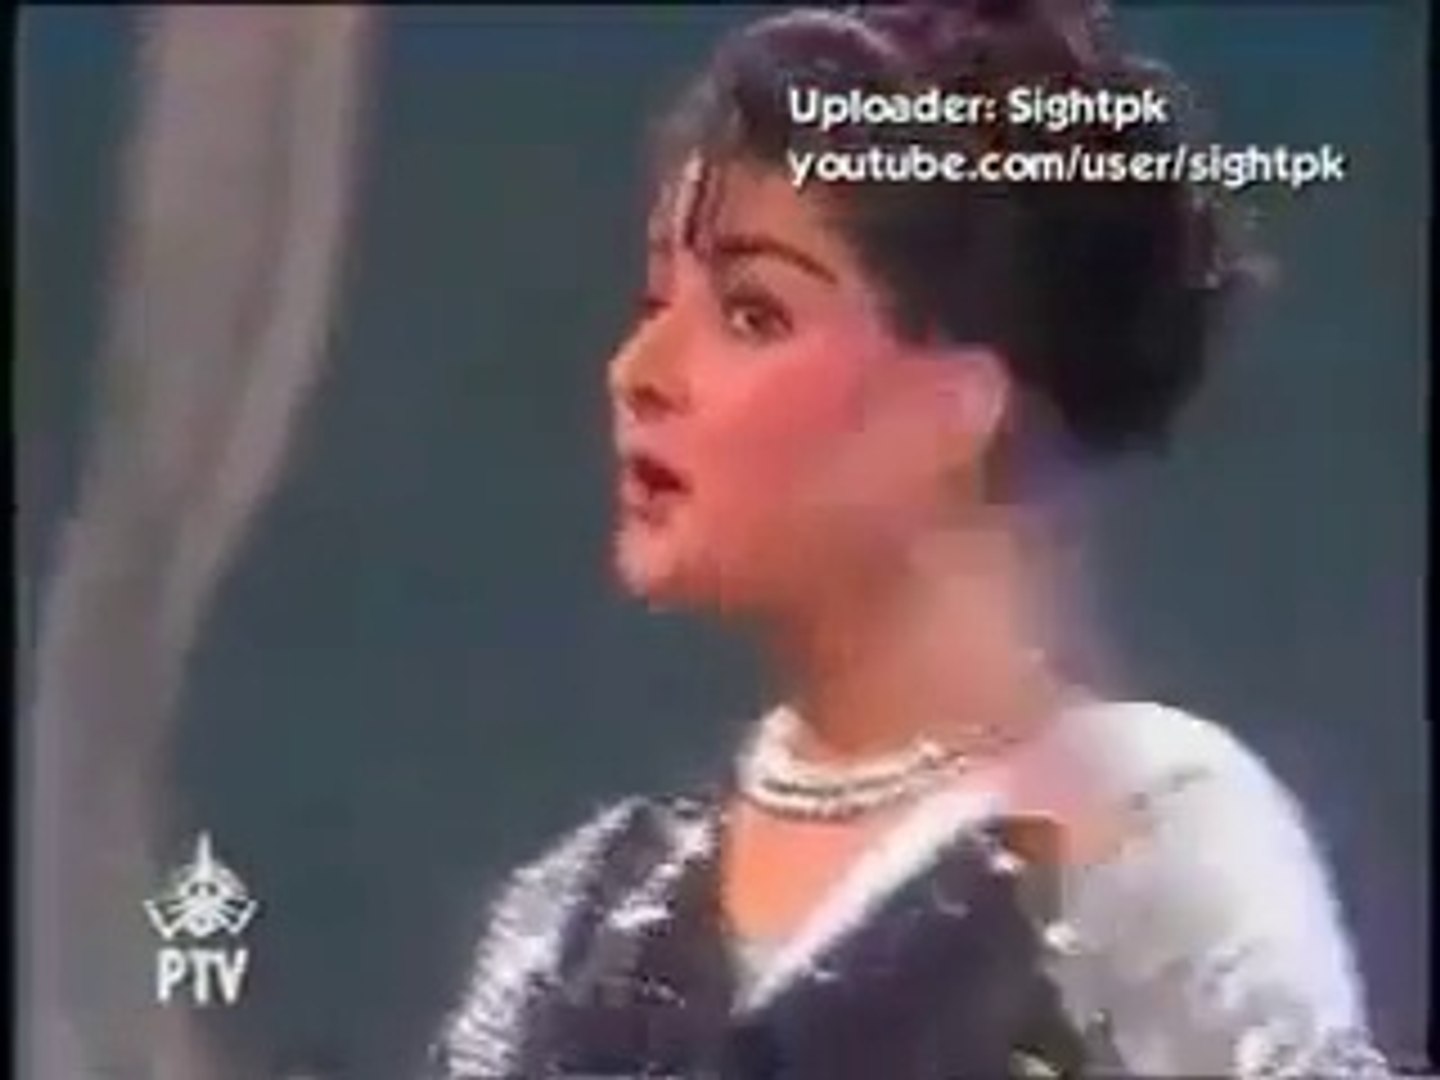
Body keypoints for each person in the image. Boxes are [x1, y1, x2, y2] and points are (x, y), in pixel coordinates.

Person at [425, 2, 1391, 1076]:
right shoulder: (579, 916)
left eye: (752, 313)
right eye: (655, 300)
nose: (638, 372)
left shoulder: (1135, 841)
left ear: (961, 401)